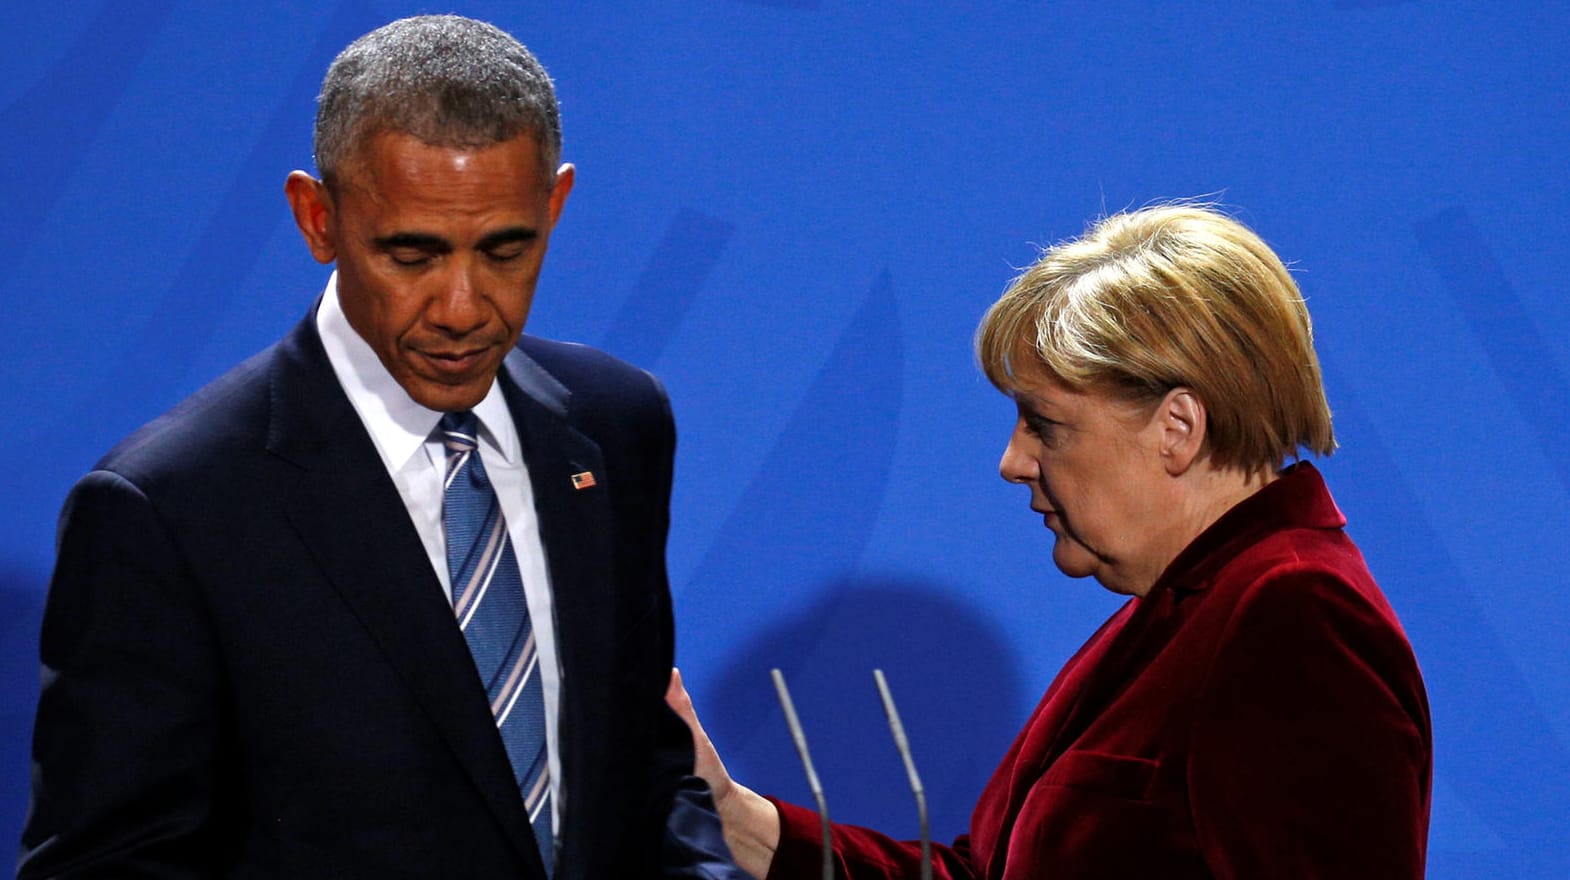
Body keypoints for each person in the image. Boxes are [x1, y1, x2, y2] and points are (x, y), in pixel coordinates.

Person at [20, 15, 739, 879]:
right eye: (413, 255)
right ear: (317, 218)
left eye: (507, 249)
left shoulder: (617, 425)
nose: (464, 307)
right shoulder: (169, 509)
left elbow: (651, 779)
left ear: (556, 204)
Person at [668, 204, 1433, 878]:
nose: (1013, 462)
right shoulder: (1179, 615)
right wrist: (724, 810)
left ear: (1178, 428)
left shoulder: (1293, 615)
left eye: (1046, 425)